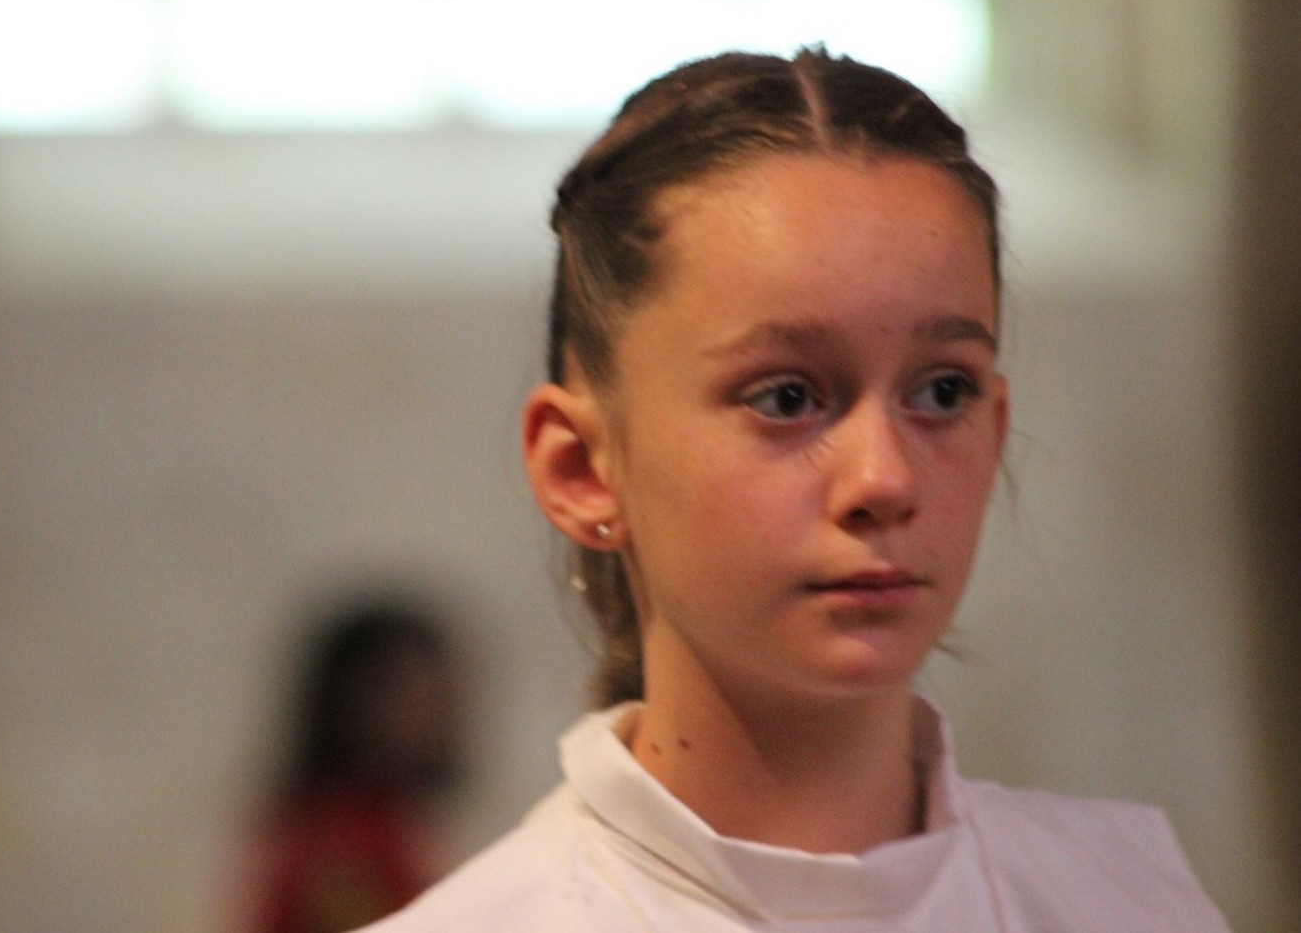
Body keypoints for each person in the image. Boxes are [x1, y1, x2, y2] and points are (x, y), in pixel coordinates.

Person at [355, 47, 1231, 931]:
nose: (883, 479)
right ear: (582, 468)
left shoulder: (1130, 902)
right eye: (784, 398)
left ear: (996, 426)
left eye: (941, 392)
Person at [241, 591, 461, 933]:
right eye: (403, 696)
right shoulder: (340, 840)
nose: (425, 717)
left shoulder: (389, 822)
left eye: (432, 696)